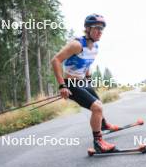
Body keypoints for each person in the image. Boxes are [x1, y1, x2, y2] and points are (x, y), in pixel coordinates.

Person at [51, 14, 119, 153]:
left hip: (82, 82)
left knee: (98, 102)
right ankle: (98, 143)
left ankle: (104, 125)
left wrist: (88, 80)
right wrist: (62, 85)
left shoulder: (95, 47)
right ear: (87, 29)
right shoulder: (77, 45)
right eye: (97, 28)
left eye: (102, 29)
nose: (100, 31)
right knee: (97, 108)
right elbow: (55, 60)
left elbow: (87, 63)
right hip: (70, 83)